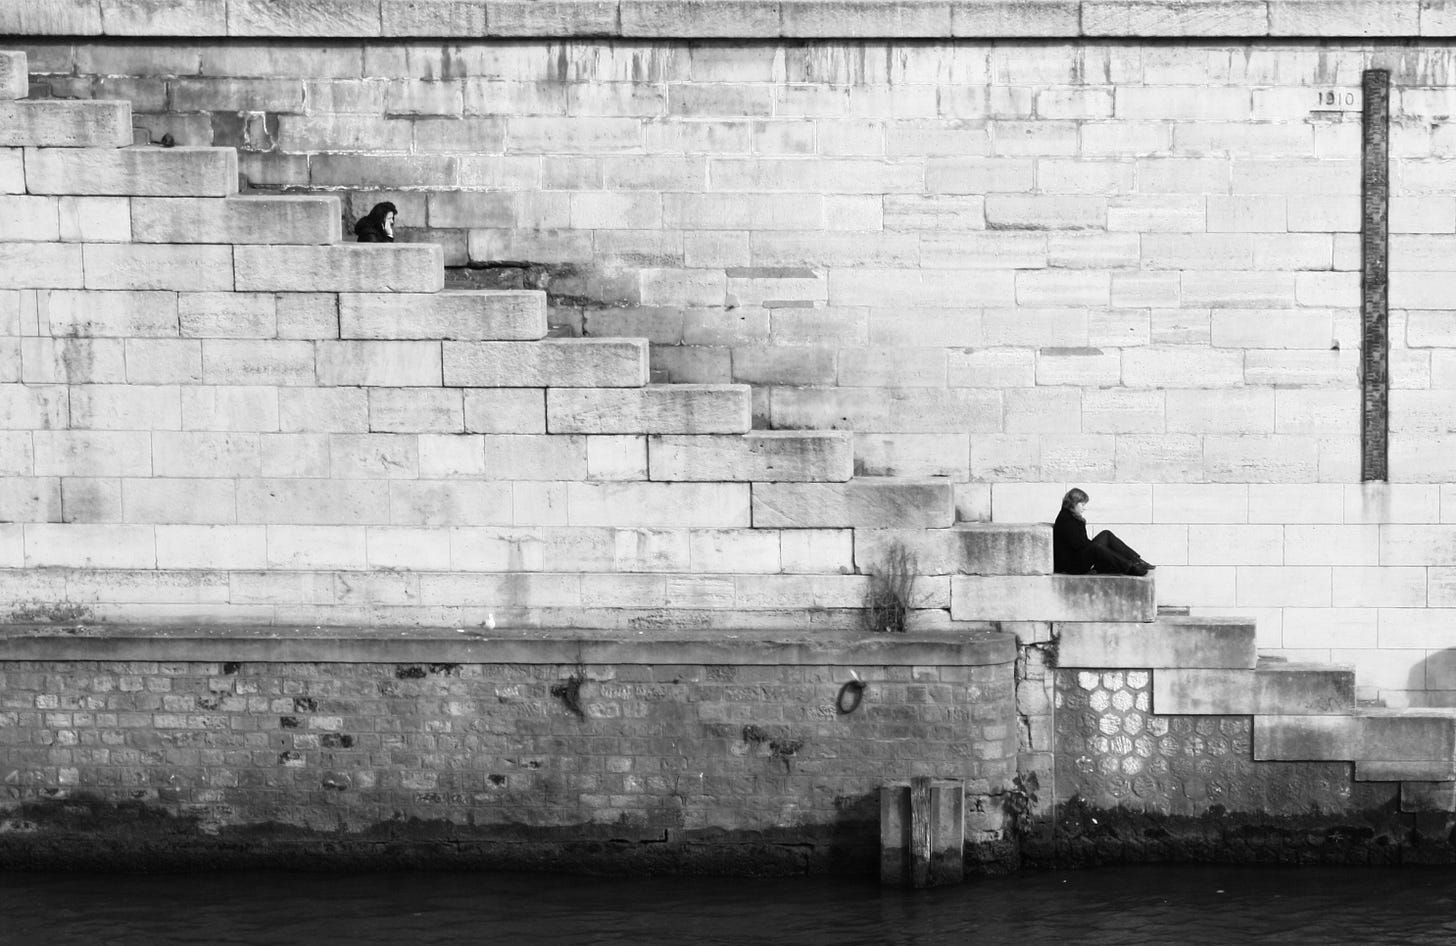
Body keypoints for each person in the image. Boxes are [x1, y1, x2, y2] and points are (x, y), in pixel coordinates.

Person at [1053, 487, 1154, 577]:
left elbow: (1081, 543)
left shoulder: (1071, 516)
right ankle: (1130, 567)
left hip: (1078, 556)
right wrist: (1103, 550)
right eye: (1082, 504)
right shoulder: (1066, 519)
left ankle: (1137, 560)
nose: (1084, 508)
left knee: (1106, 534)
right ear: (1074, 503)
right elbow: (1078, 544)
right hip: (1073, 566)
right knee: (1096, 548)